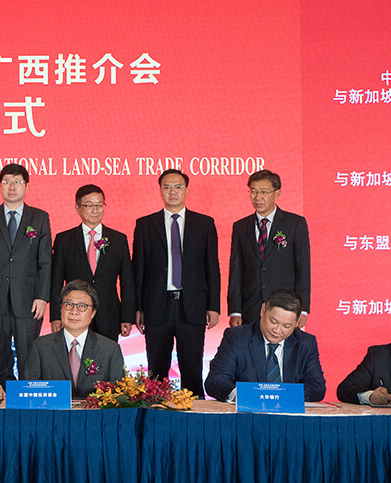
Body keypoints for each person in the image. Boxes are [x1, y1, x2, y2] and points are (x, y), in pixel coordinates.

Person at [132, 169, 221, 396]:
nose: (172, 192)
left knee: (192, 369)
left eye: (178, 187)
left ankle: (194, 412)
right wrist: (138, 307)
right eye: (167, 187)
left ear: (187, 190)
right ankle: (155, 411)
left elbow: (212, 267)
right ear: (160, 190)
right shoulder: (145, 224)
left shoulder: (204, 224)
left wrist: (213, 306)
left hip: (192, 306)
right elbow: (138, 269)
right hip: (156, 305)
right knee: (156, 370)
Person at [0, 163, 52, 376]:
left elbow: (45, 261)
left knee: (28, 354)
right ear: (0, 186)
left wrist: (42, 297)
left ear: (26, 186)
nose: (11, 187)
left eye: (17, 182)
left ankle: (26, 393)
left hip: (28, 300)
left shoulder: (39, 217)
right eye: (6, 182)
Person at [205, 289, 325, 402]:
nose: (277, 330)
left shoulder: (306, 343)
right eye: (273, 321)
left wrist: (280, 397)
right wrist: (241, 395)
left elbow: (317, 387)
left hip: (289, 414)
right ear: (263, 310)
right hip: (247, 412)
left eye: (286, 326)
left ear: (296, 322)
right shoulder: (237, 337)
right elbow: (216, 380)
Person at [50, 184, 135, 339]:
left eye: (99, 205)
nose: (95, 210)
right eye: (89, 205)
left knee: (107, 353)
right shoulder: (64, 240)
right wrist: (56, 316)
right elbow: (56, 281)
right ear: (77, 208)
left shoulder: (118, 239)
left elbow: (127, 281)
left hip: (109, 314)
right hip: (74, 314)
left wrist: (127, 317)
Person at [227, 169, 311, 327]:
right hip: (251, 307)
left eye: (264, 192)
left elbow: (303, 268)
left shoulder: (295, 224)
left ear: (277, 193)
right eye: (253, 192)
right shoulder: (240, 227)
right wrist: (235, 311)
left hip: (286, 307)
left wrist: (303, 309)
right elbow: (236, 270)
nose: (257, 197)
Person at [25, 280, 125, 398]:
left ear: (93, 313)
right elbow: (31, 393)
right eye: (68, 304)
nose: (74, 311)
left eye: (82, 306)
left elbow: (118, 394)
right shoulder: (40, 347)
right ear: (61, 308)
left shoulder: (110, 349)